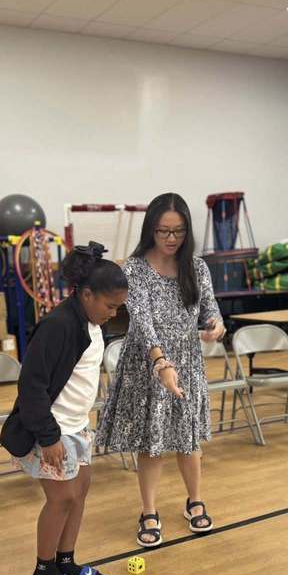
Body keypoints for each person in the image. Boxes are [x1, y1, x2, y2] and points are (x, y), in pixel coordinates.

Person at [95, 192, 225, 548]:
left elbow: (210, 310)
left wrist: (215, 325)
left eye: (178, 232)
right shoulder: (135, 268)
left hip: (188, 361)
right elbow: (143, 321)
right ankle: (148, 510)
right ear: (151, 230)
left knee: (188, 437)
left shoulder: (196, 267)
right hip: (148, 363)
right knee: (151, 443)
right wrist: (160, 363)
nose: (171, 239)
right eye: (163, 231)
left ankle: (194, 500)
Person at [0, 243, 129, 575]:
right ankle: (43, 573)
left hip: (76, 426)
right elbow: (31, 385)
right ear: (86, 293)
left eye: (119, 307)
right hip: (52, 429)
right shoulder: (58, 325)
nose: (114, 313)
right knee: (62, 499)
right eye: (110, 305)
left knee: (80, 493)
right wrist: (48, 435)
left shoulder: (93, 322)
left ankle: (66, 560)